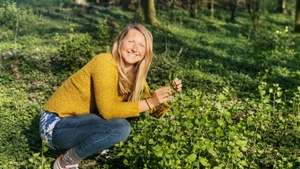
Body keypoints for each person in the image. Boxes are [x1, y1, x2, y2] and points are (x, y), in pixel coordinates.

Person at [39, 23, 182, 169]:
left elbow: (154, 111)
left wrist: (169, 93)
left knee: (125, 116)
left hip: (78, 123)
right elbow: (108, 111)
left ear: (146, 52)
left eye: (141, 45)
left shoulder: (136, 77)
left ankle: (97, 144)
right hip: (55, 126)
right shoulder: (105, 62)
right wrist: (151, 102)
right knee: (121, 127)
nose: (134, 48)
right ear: (120, 42)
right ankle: (66, 162)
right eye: (131, 41)